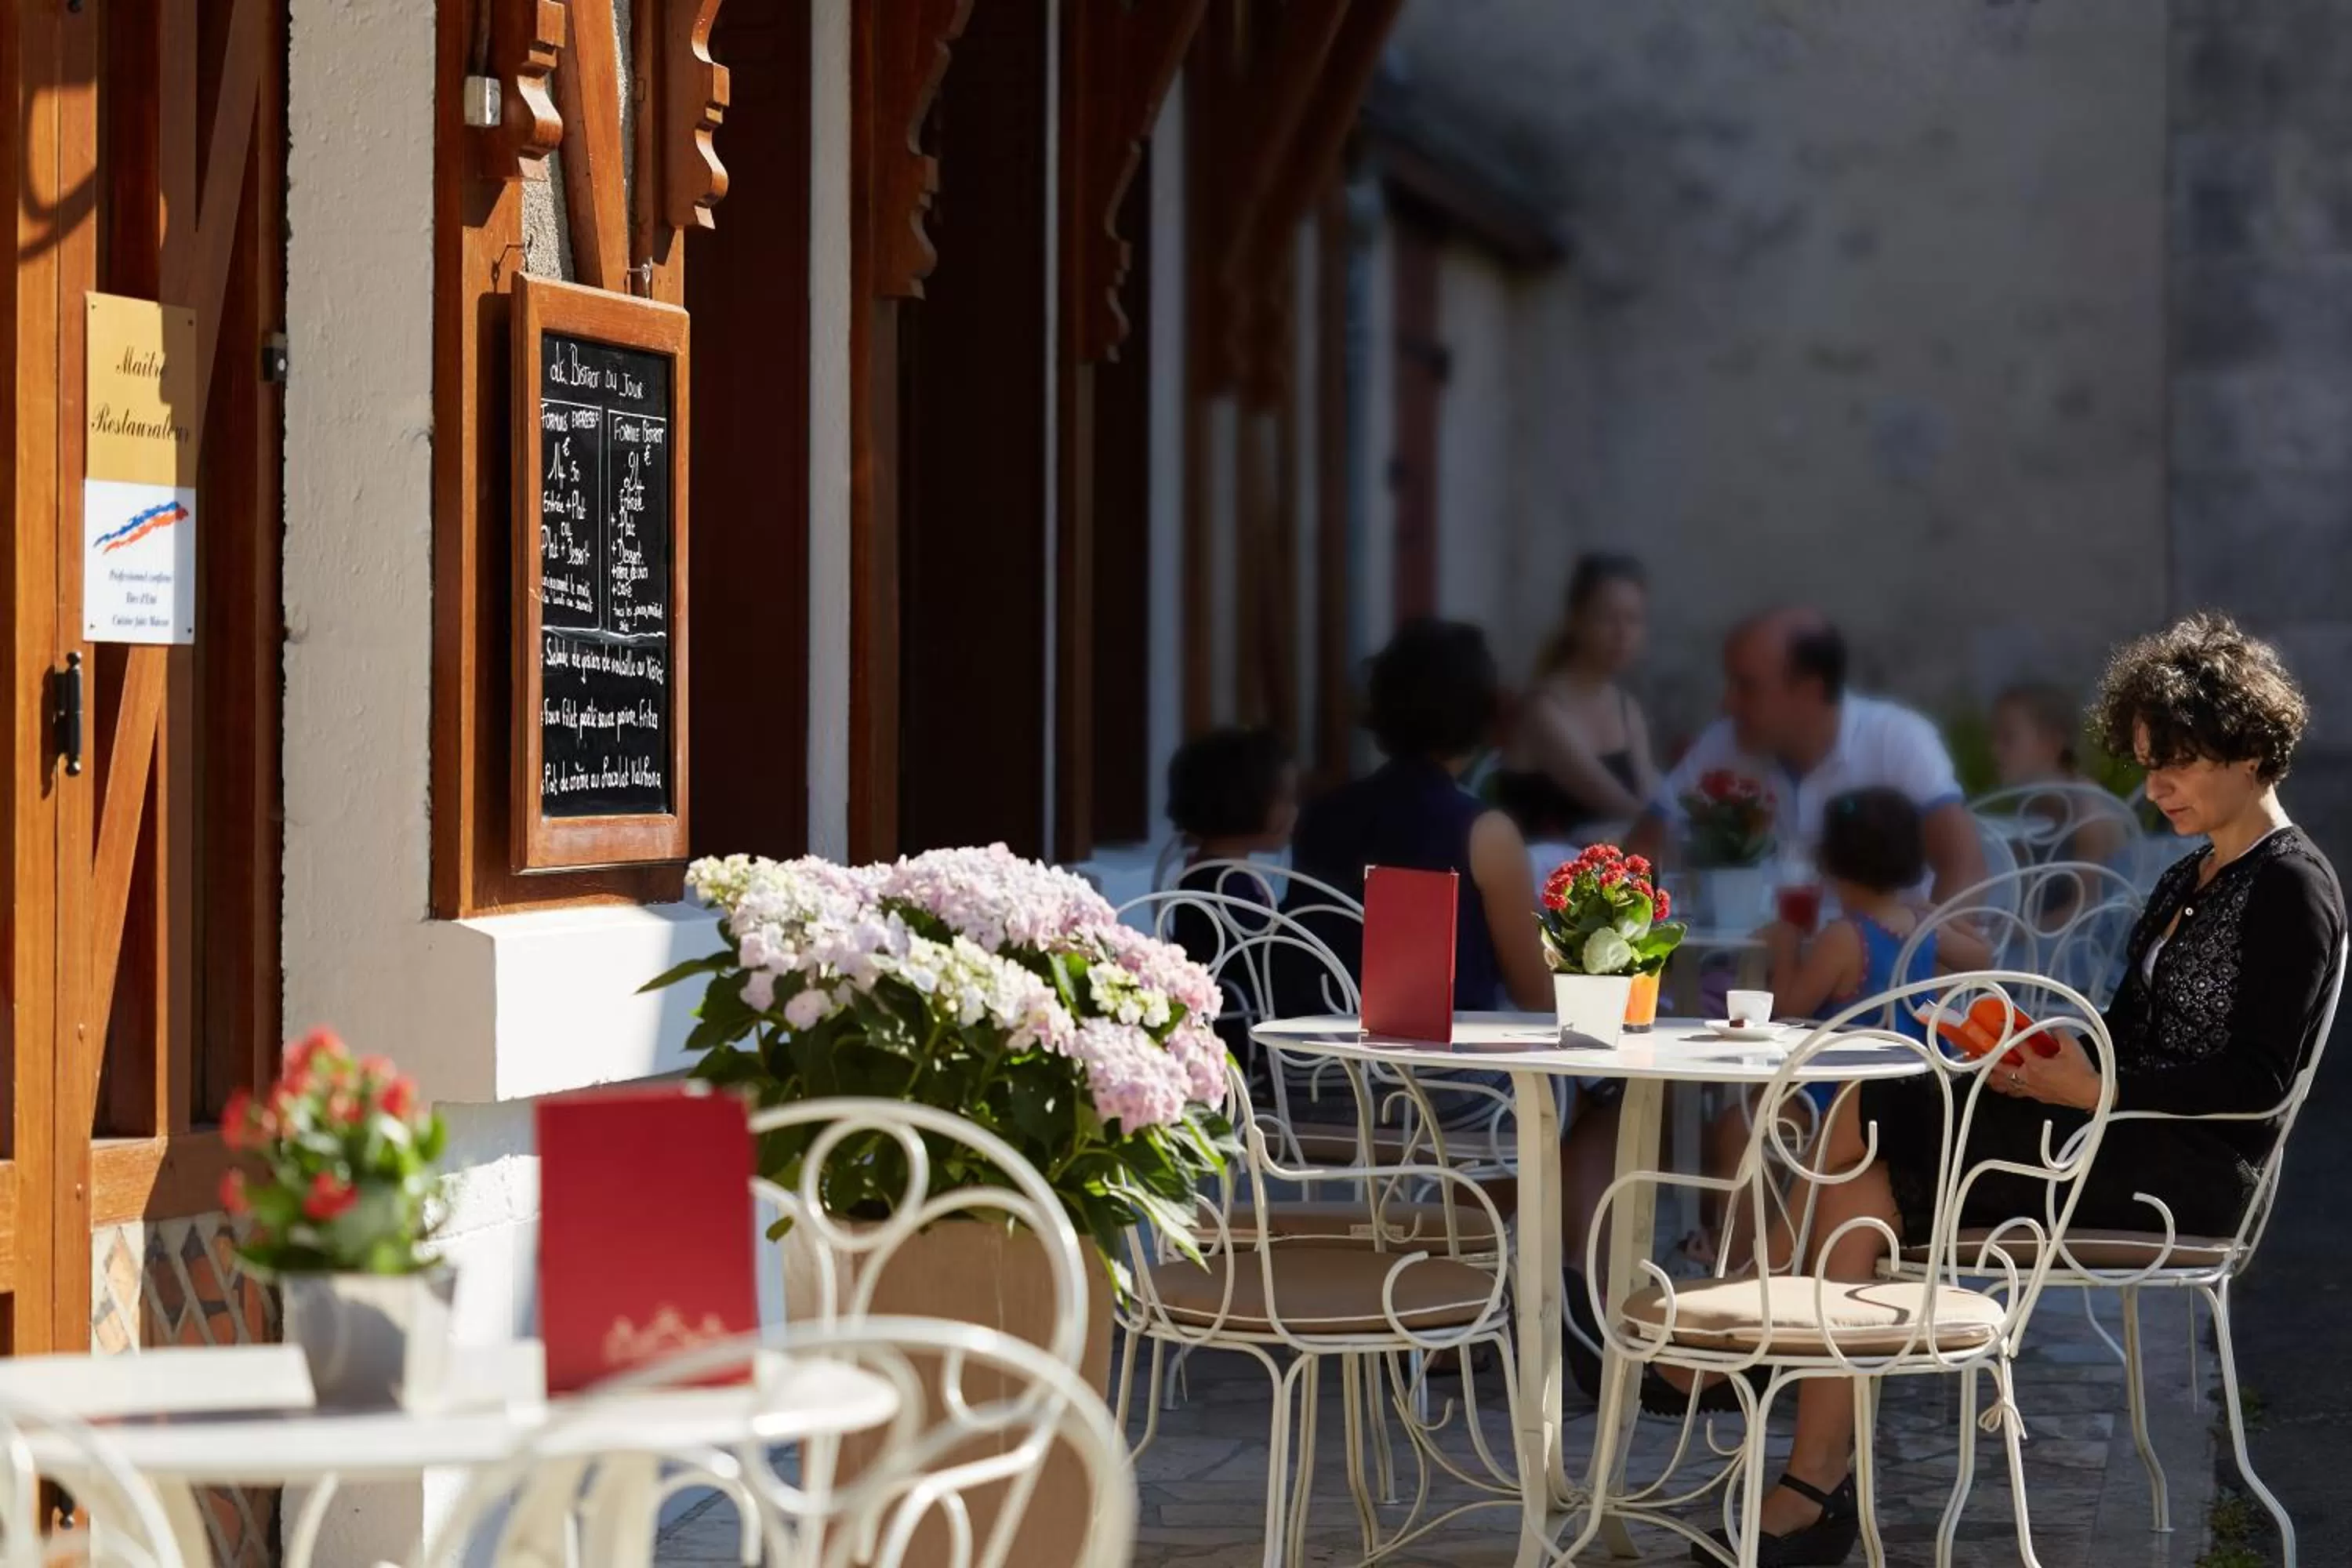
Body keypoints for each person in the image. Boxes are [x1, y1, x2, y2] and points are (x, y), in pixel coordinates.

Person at [1695, 614, 2345, 1566]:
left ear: (2250, 749)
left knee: (1869, 1122)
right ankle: (1805, 1466)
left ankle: (1743, 1349)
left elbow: (2257, 1081)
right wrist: (2031, 1048)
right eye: (2145, 760)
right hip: (2107, 1132)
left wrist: (2091, 1090)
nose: (2153, 784)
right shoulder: (2187, 875)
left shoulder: (2294, 886)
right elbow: (2122, 1031)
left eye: (2176, 762)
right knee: (1876, 1145)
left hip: (2181, 1170)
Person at [1693, 788, 1992, 1254]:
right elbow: (1984, 954)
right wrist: (1933, 914)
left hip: (1836, 1095)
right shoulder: (1915, 926)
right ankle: (1752, 1242)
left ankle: (1737, 1251)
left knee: (1738, 1126)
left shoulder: (1843, 938)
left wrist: (1787, 944)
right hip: (1908, 1087)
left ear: (1831, 866)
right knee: (1749, 1121)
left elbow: (1790, 1007)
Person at [1279, 619, 1553, 1018]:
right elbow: (1535, 994)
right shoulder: (1485, 833)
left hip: (1312, 1064)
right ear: (1483, 713)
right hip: (1444, 1072)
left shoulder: (1319, 814)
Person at [1627, 609, 1987, 906]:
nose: (1727, 703)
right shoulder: (1726, 742)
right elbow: (1643, 847)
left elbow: (1964, 866)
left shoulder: (1898, 739)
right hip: (1761, 969)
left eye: (1747, 687)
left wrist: (1925, 962)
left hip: (1885, 972)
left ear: (1809, 692)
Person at [1160, 728, 1300, 1083]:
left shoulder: (1210, 871)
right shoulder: (1222, 884)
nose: (1295, 811)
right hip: (1239, 1038)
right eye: (1284, 799)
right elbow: (1260, 964)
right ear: (1245, 802)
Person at [1492, 554, 1659, 841]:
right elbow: (1618, 803)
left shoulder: (1625, 707)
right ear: (1575, 621)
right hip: (1543, 877)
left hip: (1610, 875)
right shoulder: (1543, 709)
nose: (1622, 634)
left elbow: (1652, 796)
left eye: (1633, 620)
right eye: (1607, 618)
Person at [1990, 681, 2130, 868]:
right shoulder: (2032, 806)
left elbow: (2089, 896)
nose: (1994, 750)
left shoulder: (2086, 807)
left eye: (2008, 738)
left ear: (2051, 743)